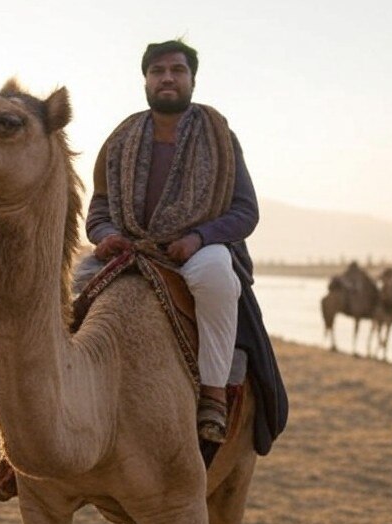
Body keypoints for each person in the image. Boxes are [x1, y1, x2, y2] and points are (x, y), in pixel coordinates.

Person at [76, 39, 259, 443]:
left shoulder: (219, 136)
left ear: (192, 80)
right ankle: (60, 398)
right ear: (145, 80)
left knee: (217, 279)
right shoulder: (120, 140)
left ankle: (213, 391)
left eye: (177, 70)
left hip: (196, 247)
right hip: (131, 247)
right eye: (158, 71)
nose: (167, 78)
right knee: (71, 289)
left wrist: (199, 237)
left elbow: (245, 212)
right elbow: (99, 209)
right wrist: (106, 236)